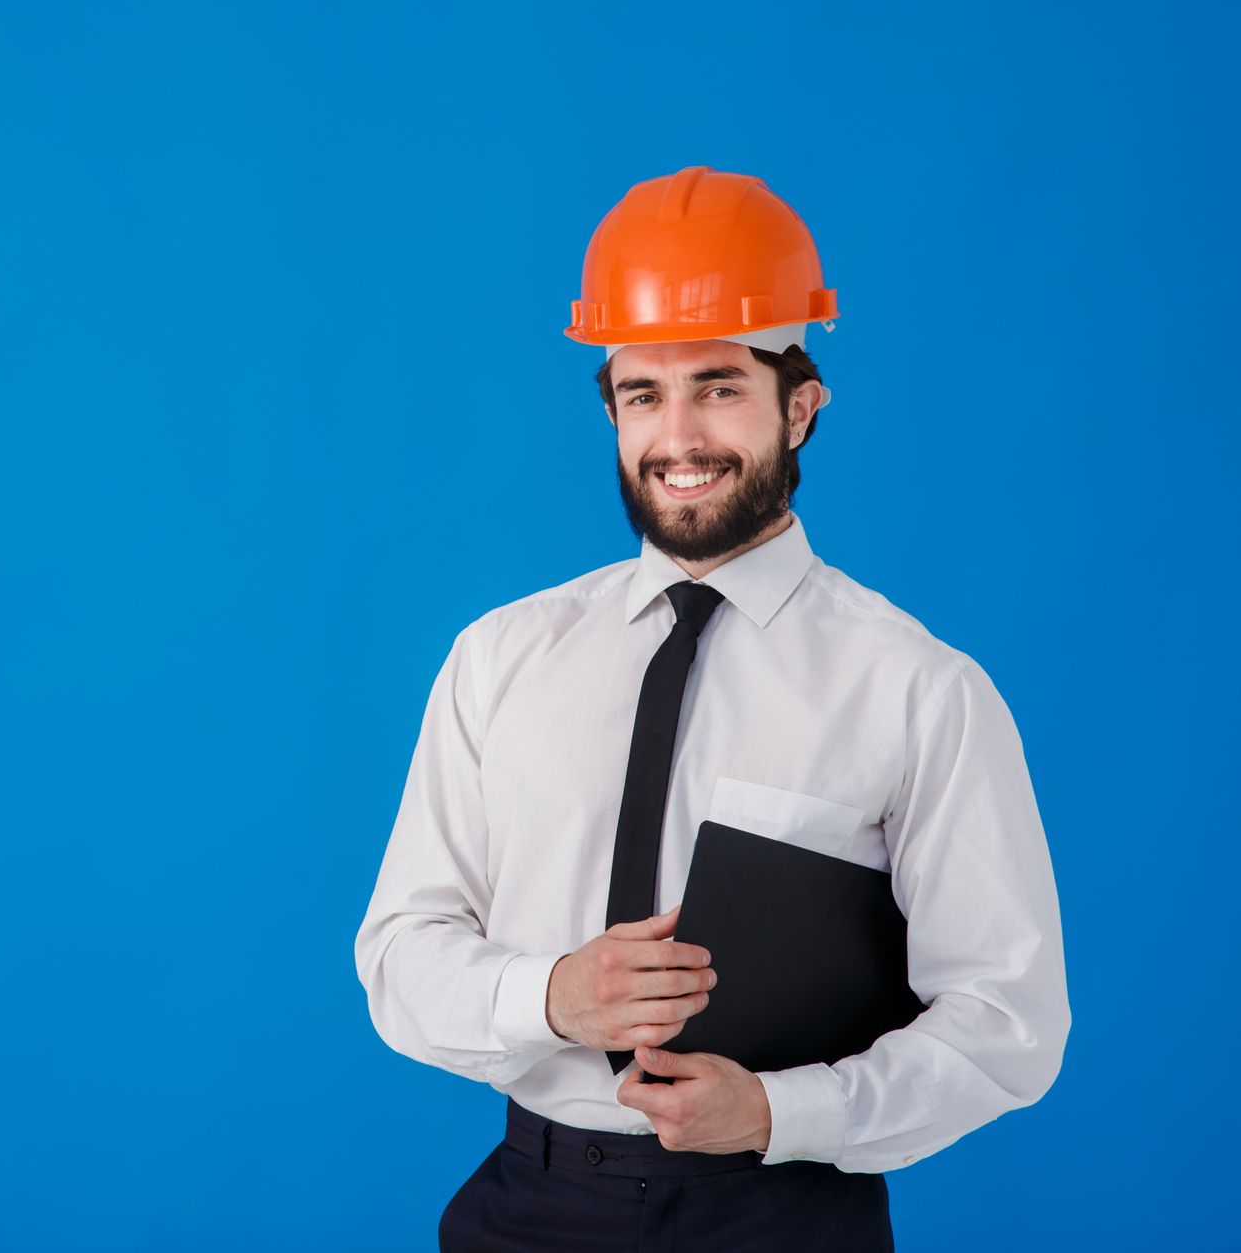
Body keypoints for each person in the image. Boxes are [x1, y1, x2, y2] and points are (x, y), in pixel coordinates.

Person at [354, 168, 1068, 1252]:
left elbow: (1007, 1022)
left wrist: (782, 1112)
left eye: (719, 386)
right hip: (530, 1206)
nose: (678, 437)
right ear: (611, 410)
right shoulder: (499, 658)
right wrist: (551, 997)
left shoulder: (918, 687)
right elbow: (401, 956)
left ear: (800, 406)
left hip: (779, 1211)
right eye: (643, 394)